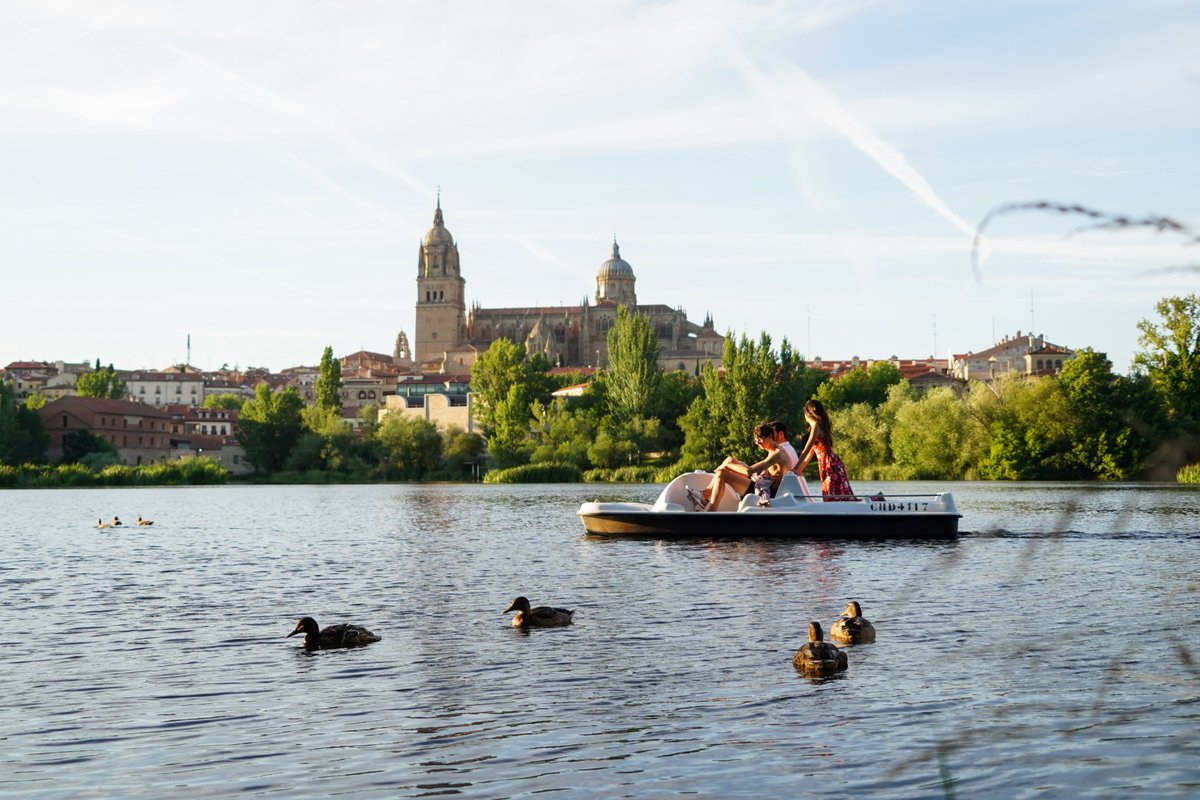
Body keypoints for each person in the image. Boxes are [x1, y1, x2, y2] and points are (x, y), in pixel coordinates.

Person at [701, 423, 792, 511]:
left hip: (766, 491)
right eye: (756, 441)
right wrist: (729, 464)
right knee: (730, 460)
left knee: (722, 474)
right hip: (760, 481)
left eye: (760, 440)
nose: (758, 443)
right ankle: (704, 495)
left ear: (770, 437)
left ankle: (711, 511)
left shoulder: (777, 454)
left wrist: (727, 466)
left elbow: (748, 471)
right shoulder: (772, 449)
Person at [795, 399, 856, 501]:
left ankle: (877, 499)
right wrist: (799, 471)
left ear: (808, 413)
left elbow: (806, 449)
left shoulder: (816, 426)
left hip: (830, 464)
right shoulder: (817, 427)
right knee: (835, 496)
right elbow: (811, 453)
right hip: (829, 463)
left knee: (833, 497)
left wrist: (796, 467)